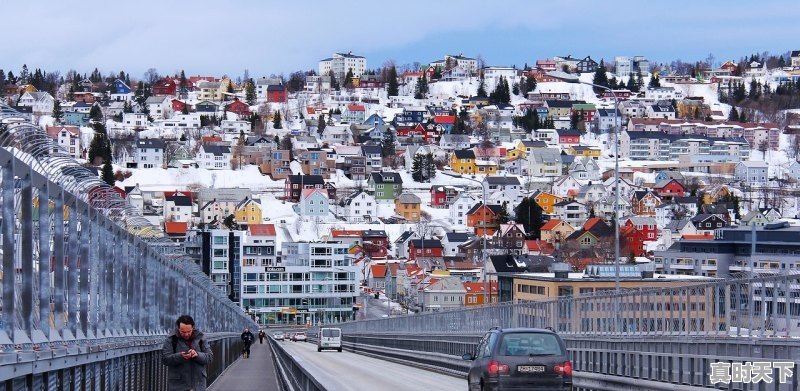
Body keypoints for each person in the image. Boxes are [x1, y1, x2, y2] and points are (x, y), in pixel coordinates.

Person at [162, 315, 213, 391]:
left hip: (198, 385)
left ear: (193, 327)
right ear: (178, 328)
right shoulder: (171, 339)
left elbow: (209, 357)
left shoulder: (201, 338)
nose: (186, 334)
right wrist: (180, 356)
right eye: (183, 332)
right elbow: (165, 359)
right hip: (178, 386)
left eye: (188, 331)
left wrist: (197, 355)